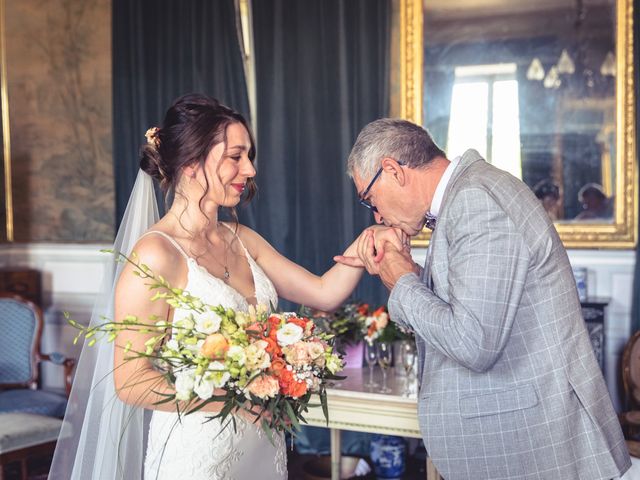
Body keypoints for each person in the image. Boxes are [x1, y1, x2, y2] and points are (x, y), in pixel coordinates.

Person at [50, 94, 404, 480]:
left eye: (248, 155)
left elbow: (323, 292)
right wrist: (233, 402)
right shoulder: (156, 255)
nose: (249, 169)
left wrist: (369, 238)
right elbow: (131, 381)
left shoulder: (242, 238)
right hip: (197, 453)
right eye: (235, 156)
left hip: (260, 445)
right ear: (190, 162)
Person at [336, 118, 631, 480]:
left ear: (393, 170)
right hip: (518, 442)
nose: (378, 216)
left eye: (370, 201)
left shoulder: (476, 201)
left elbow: (474, 342)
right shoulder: (472, 195)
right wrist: (408, 273)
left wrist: (401, 281)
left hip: (533, 448)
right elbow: (465, 318)